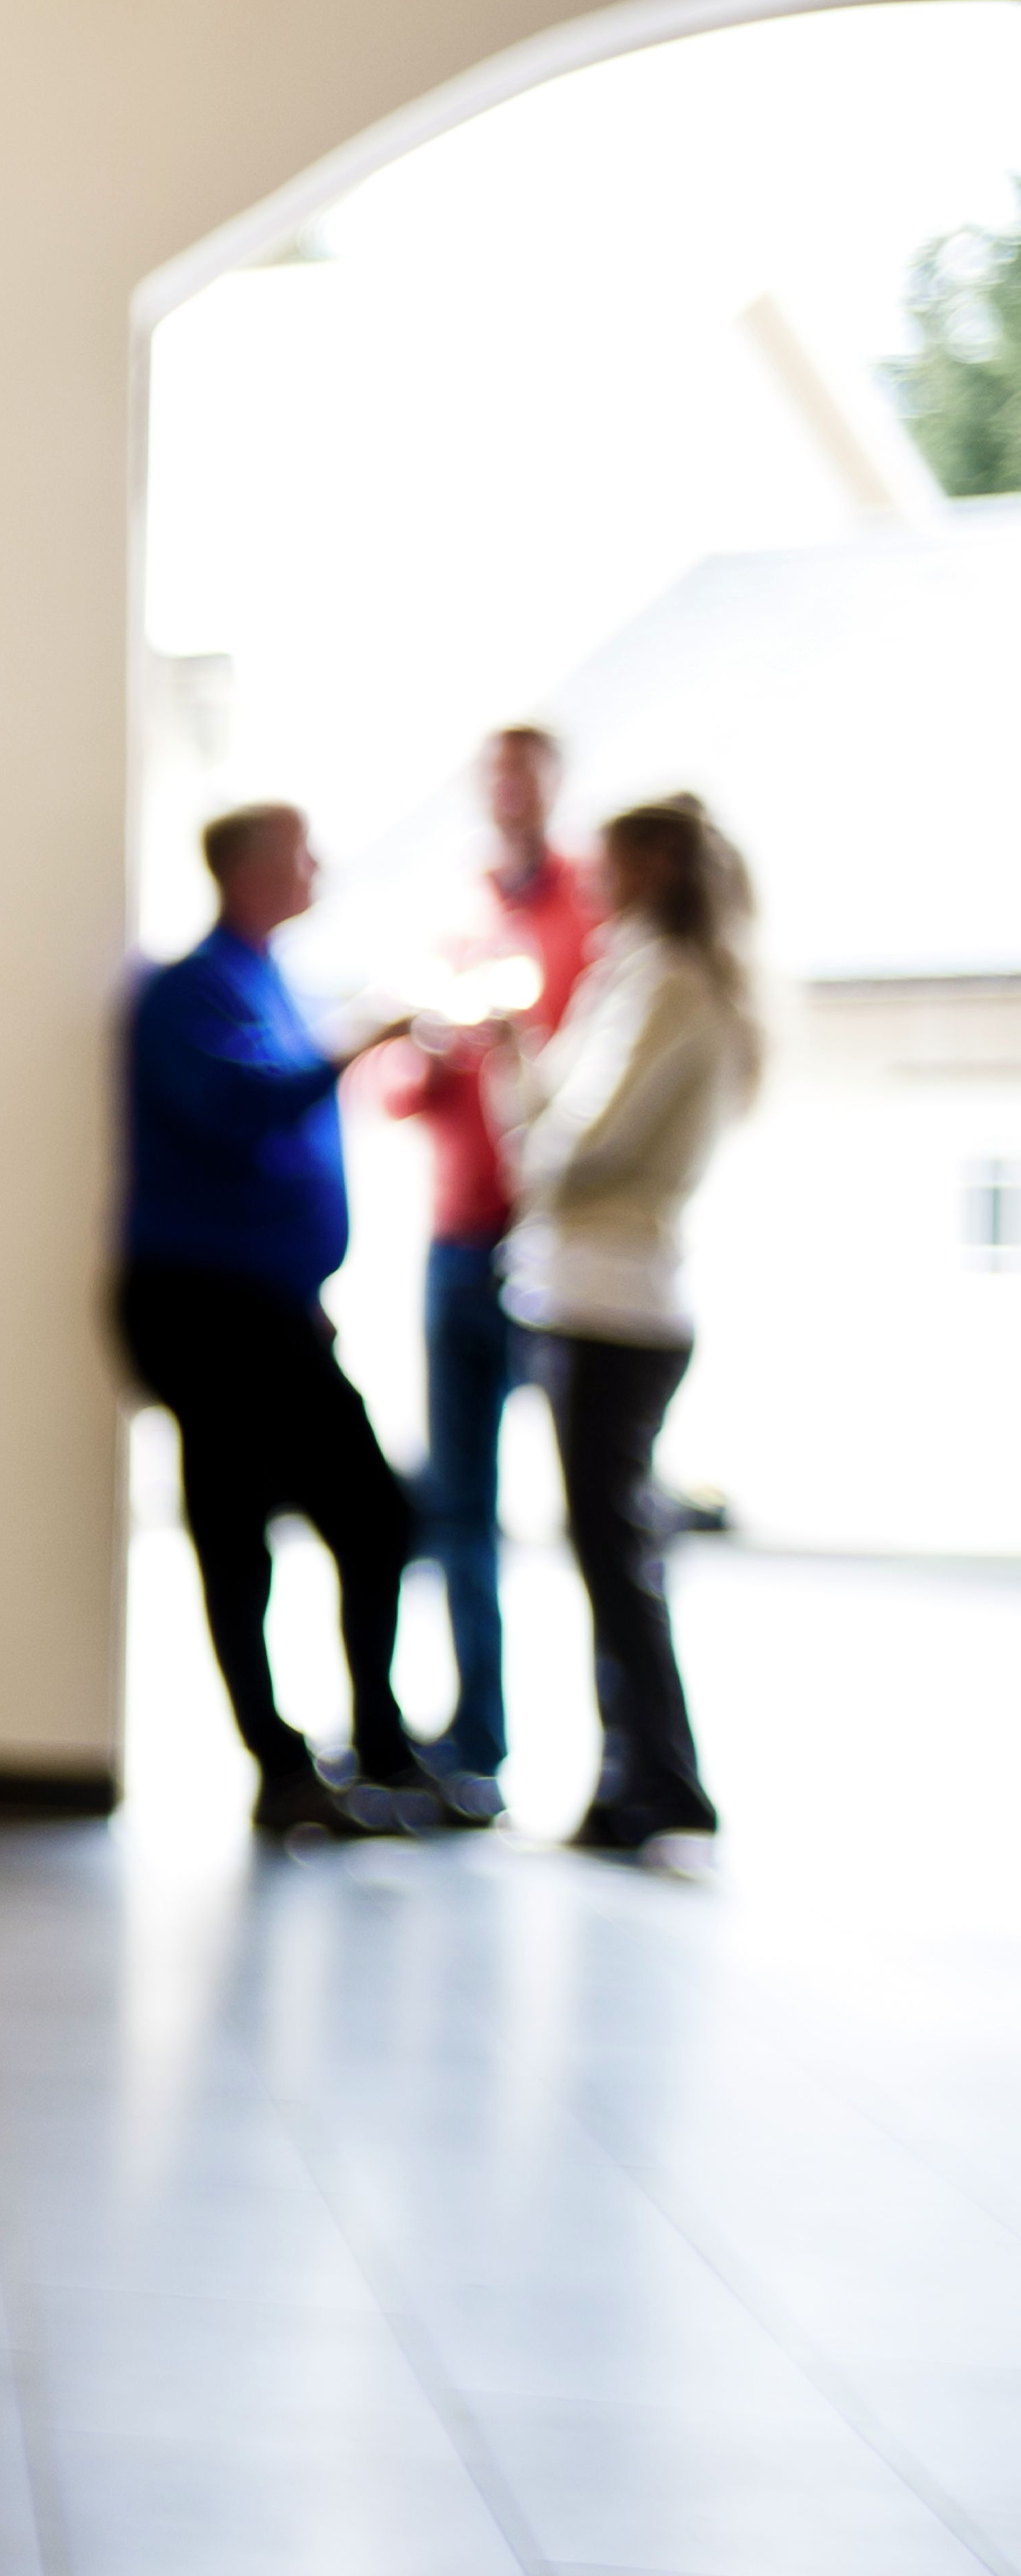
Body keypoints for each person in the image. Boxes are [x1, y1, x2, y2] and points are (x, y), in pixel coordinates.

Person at [117, 804, 442, 1836]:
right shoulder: (188, 990)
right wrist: (357, 1042)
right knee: (244, 1531)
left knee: (368, 1517)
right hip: (207, 1305)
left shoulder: (272, 983)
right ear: (253, 869)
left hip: (269, 1304)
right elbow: (234, 1111)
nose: (319, 869)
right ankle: (285, 1766)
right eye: (302, 853)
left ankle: (373, 1749)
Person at [496, 793, 761, 1867]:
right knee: (611, 1549)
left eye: (606, 863)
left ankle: (658, 1784)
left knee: (616, 1553)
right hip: (593, 1293)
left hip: (618, 1300)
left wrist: (524, 1107)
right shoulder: (636, 975)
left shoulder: (672, 984)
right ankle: (640, 1778)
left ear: (649, 865)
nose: (591, 882)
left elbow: (575, 1146)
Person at [379, 725, 597, 1799]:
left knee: (597, 1507)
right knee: (458, 1502)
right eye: (495, 780)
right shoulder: (461, 920)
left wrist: (520, 1047)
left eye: (527, 779)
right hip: (456, 1237)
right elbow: (397, 1090)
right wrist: (424, 1053)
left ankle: (625, 1765)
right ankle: (475, 1744)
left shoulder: (591, 916)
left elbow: (589, 1094)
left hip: (554, 1241)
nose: (509, 797)